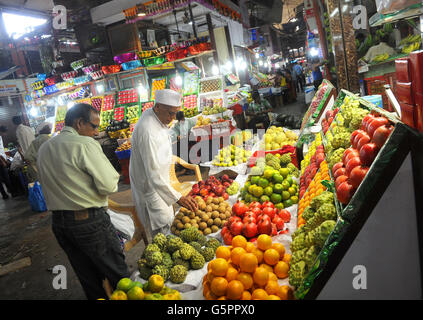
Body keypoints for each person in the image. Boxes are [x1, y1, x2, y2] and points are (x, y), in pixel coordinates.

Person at [37, 103, 129, 300]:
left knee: (88, 279)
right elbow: (109, 185)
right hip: (89, 222)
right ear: (79, 123)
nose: (96, 133)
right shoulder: (84, 144)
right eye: (94, 127)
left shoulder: (45, 148)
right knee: (120, 277)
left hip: (60, 224)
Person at [130, 89, 198, 241]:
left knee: (168, 222)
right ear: (158, 106)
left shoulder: (154, 115)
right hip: (151, 187)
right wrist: (178, 198)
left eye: (175, 113)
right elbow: (154, 176)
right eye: (170, 113)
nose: (172, 118)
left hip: (160, 182)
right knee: (163, 229)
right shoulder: (148, 132)